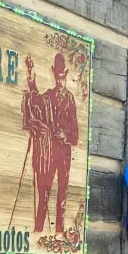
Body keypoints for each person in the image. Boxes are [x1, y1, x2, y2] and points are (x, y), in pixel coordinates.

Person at [22, 52, 79, 233]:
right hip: (48, 153)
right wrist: (31, 74)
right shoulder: (49, 96)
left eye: (63, 77)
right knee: (43, 192)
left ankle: (59, 231)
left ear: (66, 76)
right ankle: (38, 229)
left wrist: (64, 135)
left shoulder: (70, 99)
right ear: (54, 74)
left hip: (63, 155)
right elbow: (36, 100)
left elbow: (75, 136)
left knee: (62, 195)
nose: (60, 81)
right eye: (57, 77)